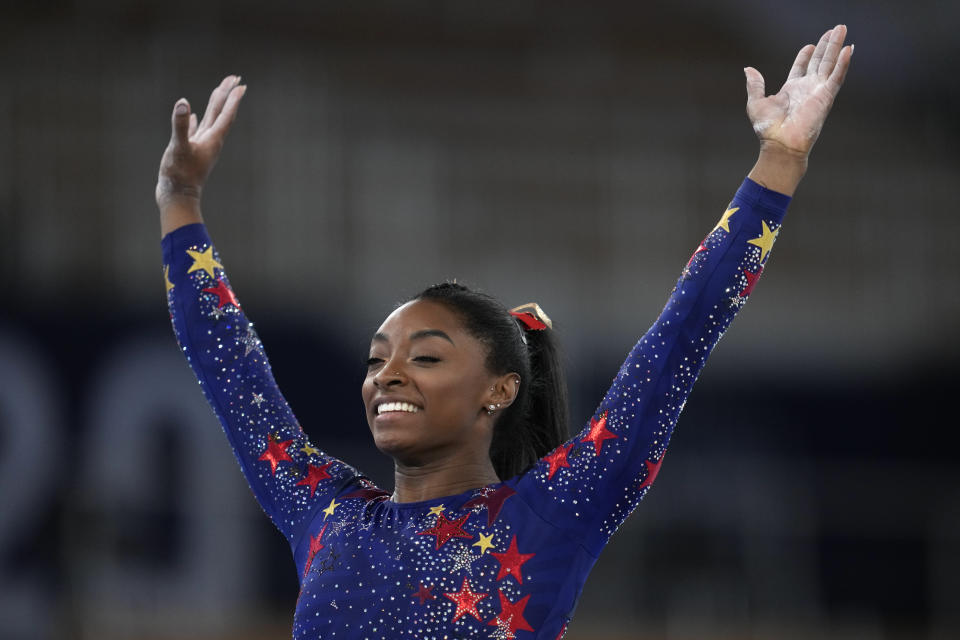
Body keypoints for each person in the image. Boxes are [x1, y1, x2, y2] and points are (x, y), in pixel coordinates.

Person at [157, 26, 852, 639]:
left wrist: (779, 162)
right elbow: (231, 369)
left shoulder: (552, 511)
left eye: (424, 356)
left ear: (499, 389)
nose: (387, 375)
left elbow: (678, 341)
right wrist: (180, 200)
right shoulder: (327, 517)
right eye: (377, 360)